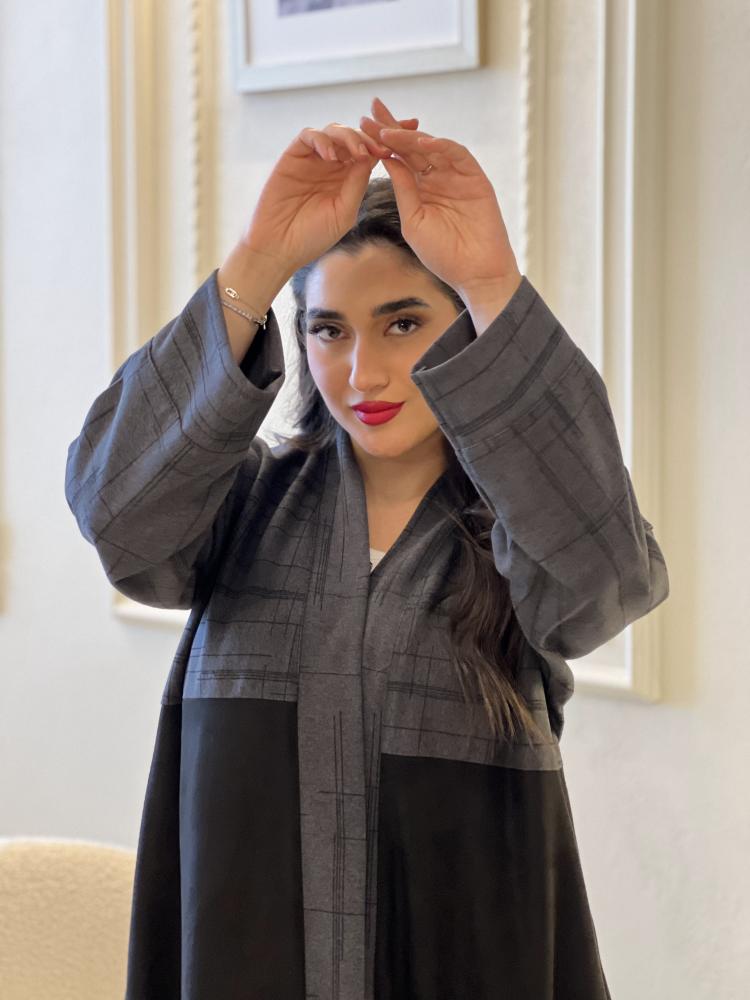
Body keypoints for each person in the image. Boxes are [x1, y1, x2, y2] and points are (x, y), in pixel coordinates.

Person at [65, 96, 669, 999]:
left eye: (403, 323)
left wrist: (492, 282)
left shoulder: (523, 531)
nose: (362, 373)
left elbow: (603, 579)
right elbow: (118, 515)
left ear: (463, 331)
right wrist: (259, 261)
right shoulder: (245, 508)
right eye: (329, 330)